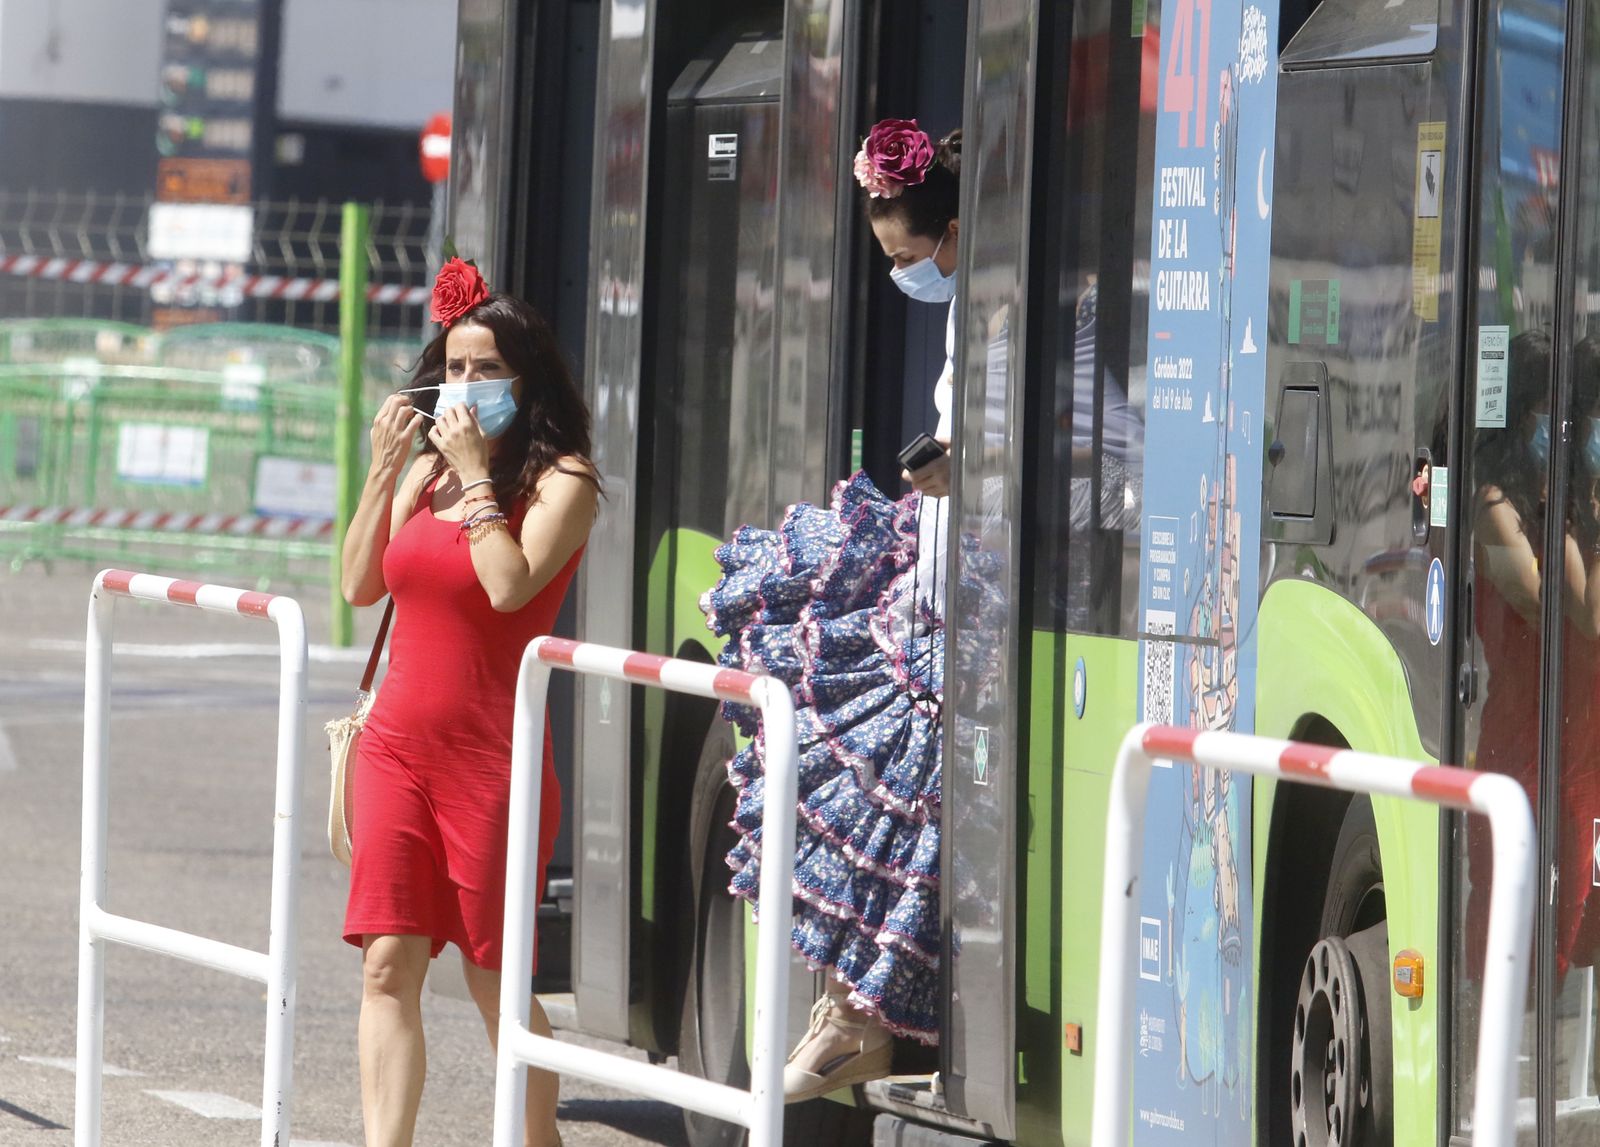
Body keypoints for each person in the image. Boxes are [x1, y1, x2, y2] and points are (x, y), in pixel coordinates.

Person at [701, 118, 971, 1102]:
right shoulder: (975, 306)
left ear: (949, 231)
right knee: (837, 761)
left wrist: (972, 473)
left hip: (970, 606)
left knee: (897, 793)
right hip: (937, 586)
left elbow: (1095, 458)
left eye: (907, 255)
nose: (905, 274)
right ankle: (846, 1007)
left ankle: (859, 1015)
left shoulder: (1038, 311)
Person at [338, 257, 600, 1147]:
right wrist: (384, 473)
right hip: (395, 749)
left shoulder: (561, 479)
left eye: (485, 367)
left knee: (497, 980)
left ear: (527, 377)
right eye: (453, 367)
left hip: (493, 762)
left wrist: (478, 476)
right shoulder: (424, 477)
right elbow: (357, 585)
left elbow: (507, 585)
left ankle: (537, 1140)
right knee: (385, 966)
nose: (465, 383)